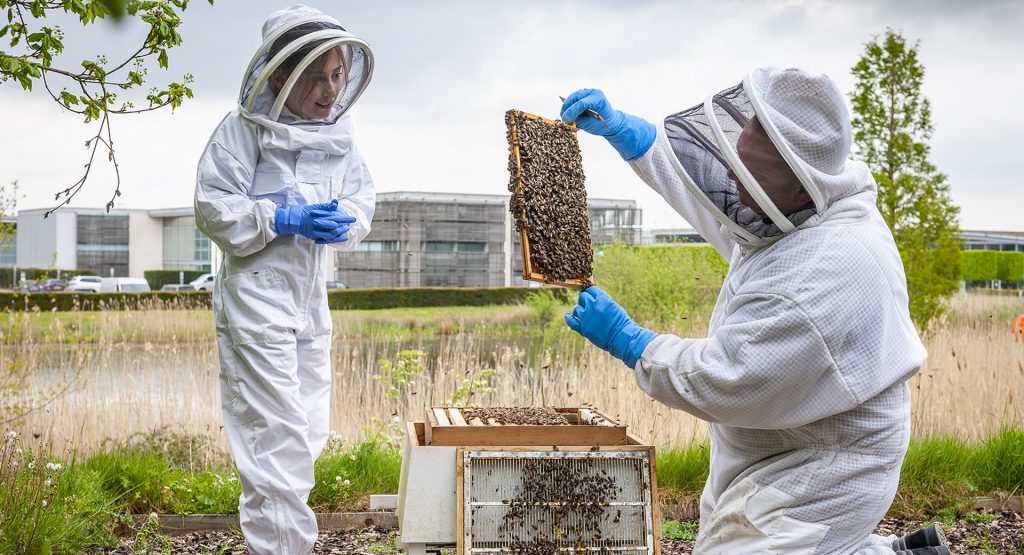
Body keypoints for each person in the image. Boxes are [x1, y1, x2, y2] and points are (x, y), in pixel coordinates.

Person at [561, 68, 950, 554]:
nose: (734, 184)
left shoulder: (822, 273)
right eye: (736, 163)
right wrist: (642, 145)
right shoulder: (810, 208)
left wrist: (632, 342)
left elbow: (729, 377)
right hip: (797, 433)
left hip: (829, 464)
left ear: (797, 180)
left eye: (748, 176)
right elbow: (726, 214)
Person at [194, 5, 375, 553]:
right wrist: (280, 217)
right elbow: (212, 208)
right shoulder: (241, 131)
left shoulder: (338, 135)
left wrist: (345, 222)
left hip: (310, 302)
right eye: (317, 76)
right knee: (273, 438)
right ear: (280, 74)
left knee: (305, 431)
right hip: (257, 302)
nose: (329, 89)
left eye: (337, 74)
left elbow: (362, 197)